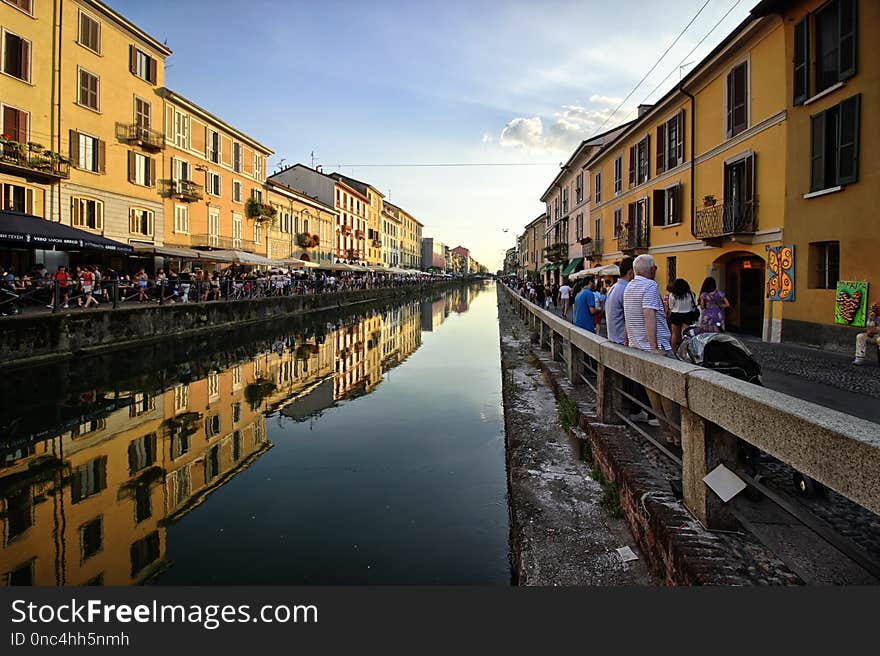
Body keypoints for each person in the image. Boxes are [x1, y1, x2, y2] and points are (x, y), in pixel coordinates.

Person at [623, 254, 678, 444]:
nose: (656, 271)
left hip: (637, 346)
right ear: (652, 269)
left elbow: (628, 317)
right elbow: (648, 314)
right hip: (654, 348)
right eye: (655, 268)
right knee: (670, 394)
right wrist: (654, 347)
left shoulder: (629, 286)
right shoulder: (650, 286)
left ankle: (668, 433)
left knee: (654, 394)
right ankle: (678, 435)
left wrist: (628, 341)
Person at [667, 278, 699, 353]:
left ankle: (673, 350)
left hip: (675, 314)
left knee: (674, 334)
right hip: (687, 315)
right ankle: (685, 351)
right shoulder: (691, 294)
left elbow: (671, 306)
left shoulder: (672, 295)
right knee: (685, 334)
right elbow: (693, 305)